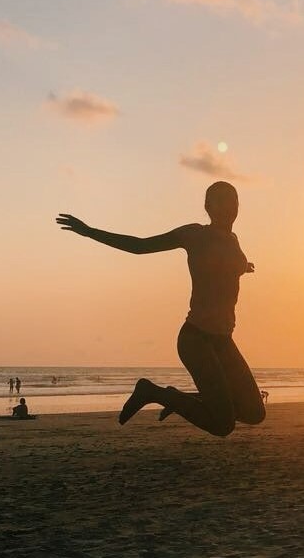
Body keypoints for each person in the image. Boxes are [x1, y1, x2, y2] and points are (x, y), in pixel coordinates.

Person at [56, 181, 265, 437]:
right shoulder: (194, 234)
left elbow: (228, 266)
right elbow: (140, 246)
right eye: (220, 200)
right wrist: (90, 232)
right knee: (223, 425)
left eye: (232, 200)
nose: (228, 207)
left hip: (223, 340)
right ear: (208, 207)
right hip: (196, 339)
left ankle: (179, 398)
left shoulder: (233, 240)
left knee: (254, 412)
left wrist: (244, 266)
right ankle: (153, 392)